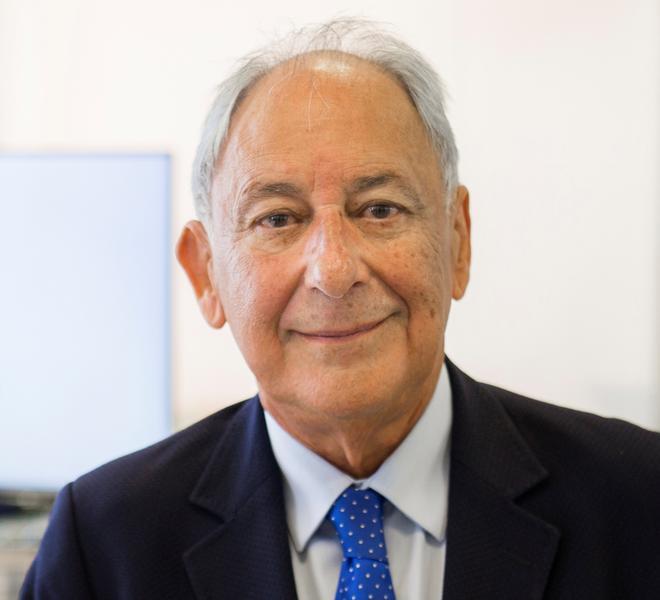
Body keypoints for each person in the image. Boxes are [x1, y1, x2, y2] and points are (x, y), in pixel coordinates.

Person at [21, 18, 660, 600]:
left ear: (457, 240)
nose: (332, 272)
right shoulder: (103, 545)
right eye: (278, 219)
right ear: (206, 273)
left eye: (379, 209)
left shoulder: (639, 501)